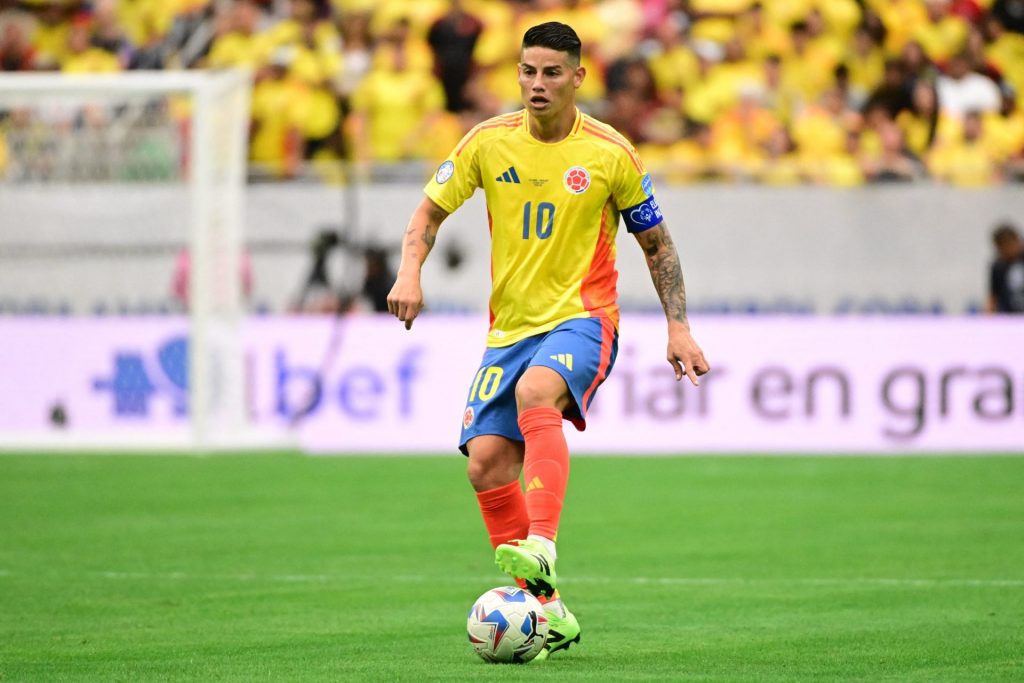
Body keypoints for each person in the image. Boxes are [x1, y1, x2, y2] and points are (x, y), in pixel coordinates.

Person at [387, 22, 709, 660]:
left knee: (539, 392)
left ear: (578, 78)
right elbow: (428, 211)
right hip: (508, 329)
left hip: (585, 318)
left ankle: (543, 543)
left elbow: (657, 244)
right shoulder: (487, 142)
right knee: (484, 464)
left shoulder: (610, 153)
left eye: (552, 73)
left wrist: (678, 324)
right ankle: (547, 610)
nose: (537, 84)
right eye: (528, 71)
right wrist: (409, 272)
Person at [986, 222, 1024, 313]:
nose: (1006, 251)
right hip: (1007, 317)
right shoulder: (998, 266)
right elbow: (993, 296)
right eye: (1001, 249)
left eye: (1009, 245)